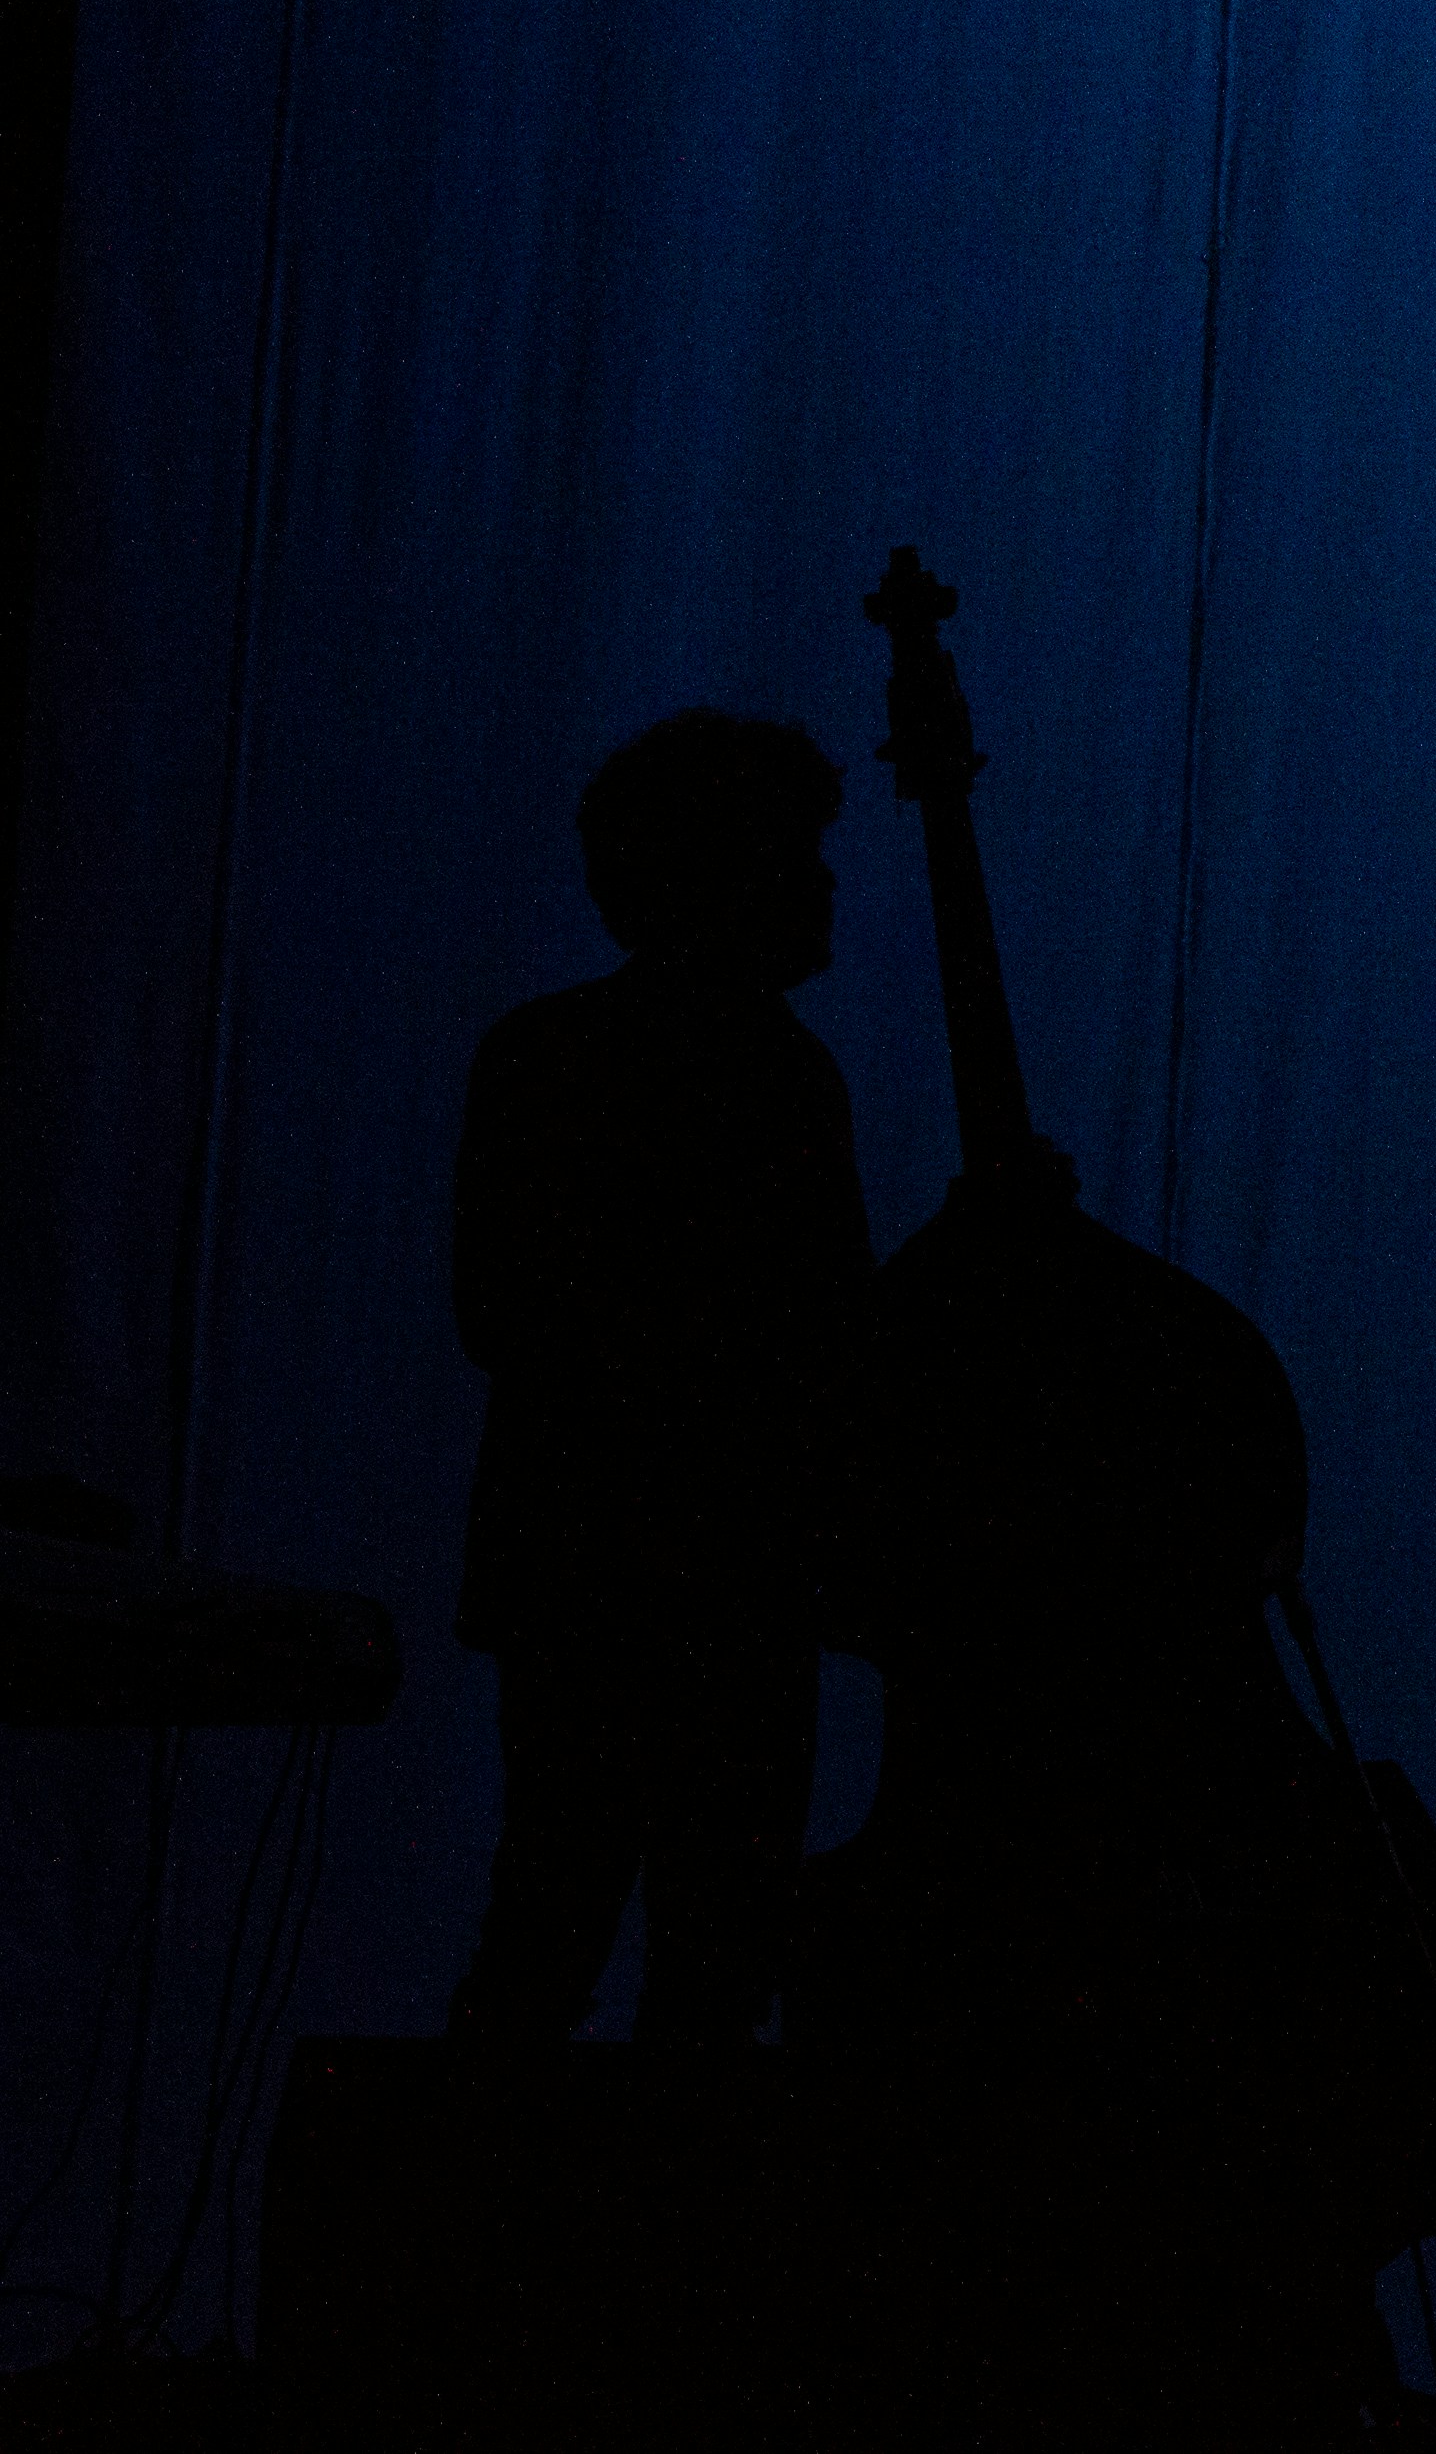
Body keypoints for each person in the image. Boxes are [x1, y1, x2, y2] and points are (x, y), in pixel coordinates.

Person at [445, 708, 870, 2045]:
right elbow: (833, 1344)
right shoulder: (786, 1080)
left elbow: (501, 1313)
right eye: (795, 856)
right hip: (726, 1579)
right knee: (700, 1959)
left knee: (551, 1920)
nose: (824, 885)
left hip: (583, 1573)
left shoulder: (544, 1054)